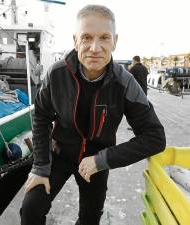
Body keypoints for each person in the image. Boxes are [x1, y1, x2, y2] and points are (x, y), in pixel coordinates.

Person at [21, 5, 166, 225]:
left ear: (114, 41)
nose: (95, 47)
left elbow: (155, 137)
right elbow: (41, 115)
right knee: (31, 209)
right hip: (59, 154)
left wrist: (103, 159)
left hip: (97, 160)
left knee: (90, 219)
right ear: (75, 40)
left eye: (104, 38)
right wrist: (40, 166)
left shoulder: (125, 83)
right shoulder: (56, 73)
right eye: (86, 37)